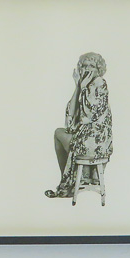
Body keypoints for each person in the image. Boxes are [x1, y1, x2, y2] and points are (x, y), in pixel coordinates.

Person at [45, 52, 113, 198]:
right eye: (84, 66)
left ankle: (67, 183)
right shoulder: (85, 85)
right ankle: (70, 180)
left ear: (98, 69)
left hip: (96, 141)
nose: (87, 69)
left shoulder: (99, 82)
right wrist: (78, 86)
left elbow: (90, 115)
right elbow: (71, 113)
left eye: (92, 66)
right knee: (60, 131)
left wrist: (82, 88)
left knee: (58, 133)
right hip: (87, 137)